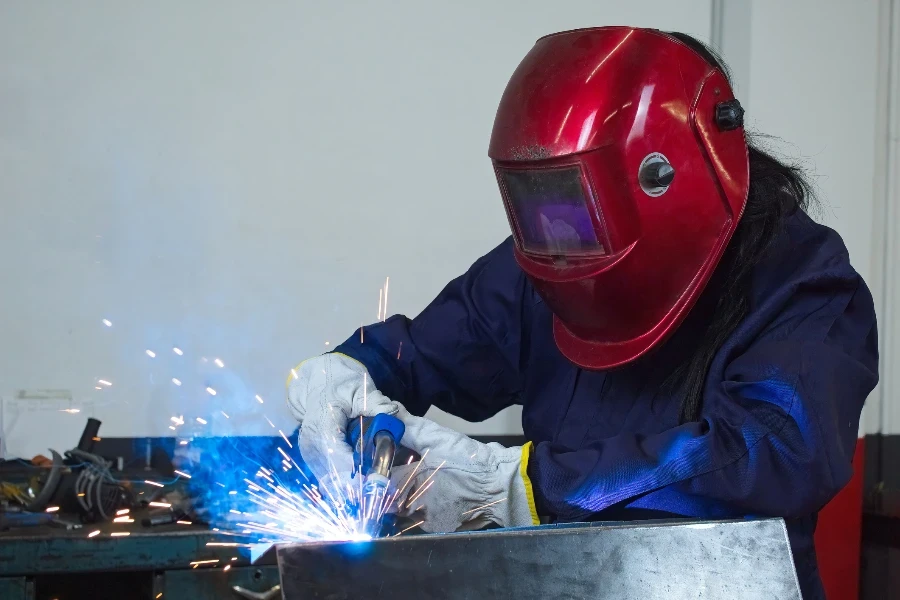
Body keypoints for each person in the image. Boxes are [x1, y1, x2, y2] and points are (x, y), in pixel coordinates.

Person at [286, 27, 878, 599]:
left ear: (665, 175)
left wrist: (523, 488)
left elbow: (771, 453)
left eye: (585, 203)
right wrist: (347, 375)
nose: (567, 236)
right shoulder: (547, 260)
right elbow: (426, 349)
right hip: (555, 581)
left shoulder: (804, 286)